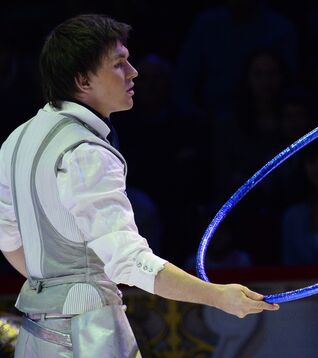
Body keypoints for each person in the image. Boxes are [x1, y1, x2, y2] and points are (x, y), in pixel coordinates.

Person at [0, 14, 278, 357]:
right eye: (119, 64)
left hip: (36, 336)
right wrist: (218, 296)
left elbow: (10, 241)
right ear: (83, 80)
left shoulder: (17, 139)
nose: (133, 73)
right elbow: (128, 261)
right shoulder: (87, 153)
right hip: (87, 337)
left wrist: (56, 286)